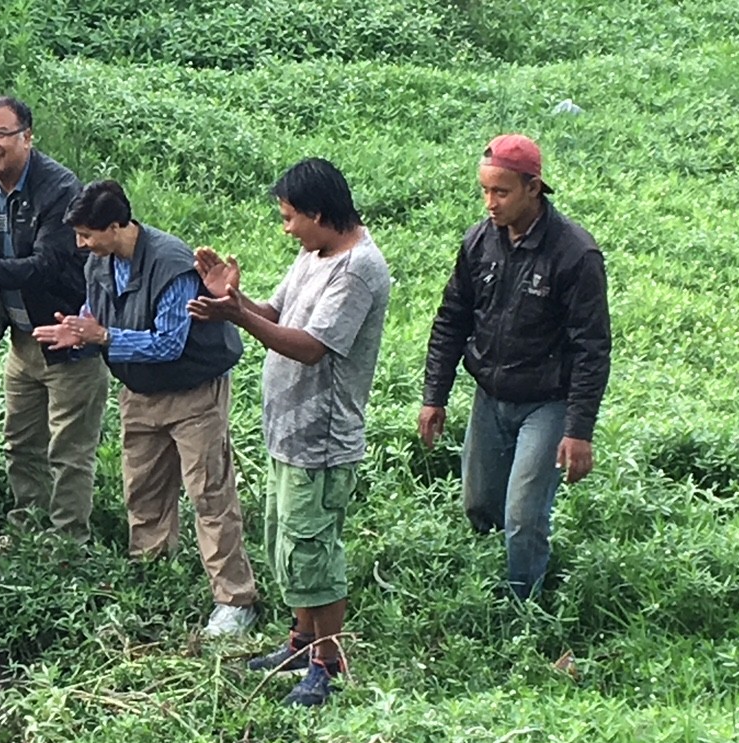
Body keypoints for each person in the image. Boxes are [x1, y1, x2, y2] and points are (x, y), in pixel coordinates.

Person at [187, 158, 391, 707]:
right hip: (288, 431)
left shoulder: (357, 271)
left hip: (321, 439)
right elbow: (276, 312)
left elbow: (310, 345)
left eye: (290, 217)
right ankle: (302, 643)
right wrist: (233, 301)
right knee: (288, 545)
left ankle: (329, 662)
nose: (286, 229)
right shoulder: (315, 253)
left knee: (313, 551)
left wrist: (236, 317)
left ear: (320, 214)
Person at [33, 180, 259, 637]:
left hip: (193, 392)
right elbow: (95, 312)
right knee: (144, 492)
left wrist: (106, 338)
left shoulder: (172, 264)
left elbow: (169, 343)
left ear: (117, 226)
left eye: (88, 235)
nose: (81, 244)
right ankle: (153, 581)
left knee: (209, 494)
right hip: (138, 393)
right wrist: (79, 332)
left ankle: (236, 601)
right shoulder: (100, 261)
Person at [418, 134, 610, 601]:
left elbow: (592, 347)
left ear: (533, 187)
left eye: (501, 192)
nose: (490, 203)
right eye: (485, 191)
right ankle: (489, 585)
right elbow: (452, 319)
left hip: (546, 400)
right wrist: (434, 396)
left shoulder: (575, 255)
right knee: (479, 503)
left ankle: (522, 611)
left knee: (524, 513)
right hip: (490, 393)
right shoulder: (479, 241)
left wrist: (578, 429)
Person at [0, 96, 106, 542]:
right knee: (21, 443)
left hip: (69, 336)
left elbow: (46, 263)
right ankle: (27, 527)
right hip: (21, 338)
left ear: (27, 139)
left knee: (69, 449)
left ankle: (69, 539)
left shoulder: (60, 189)